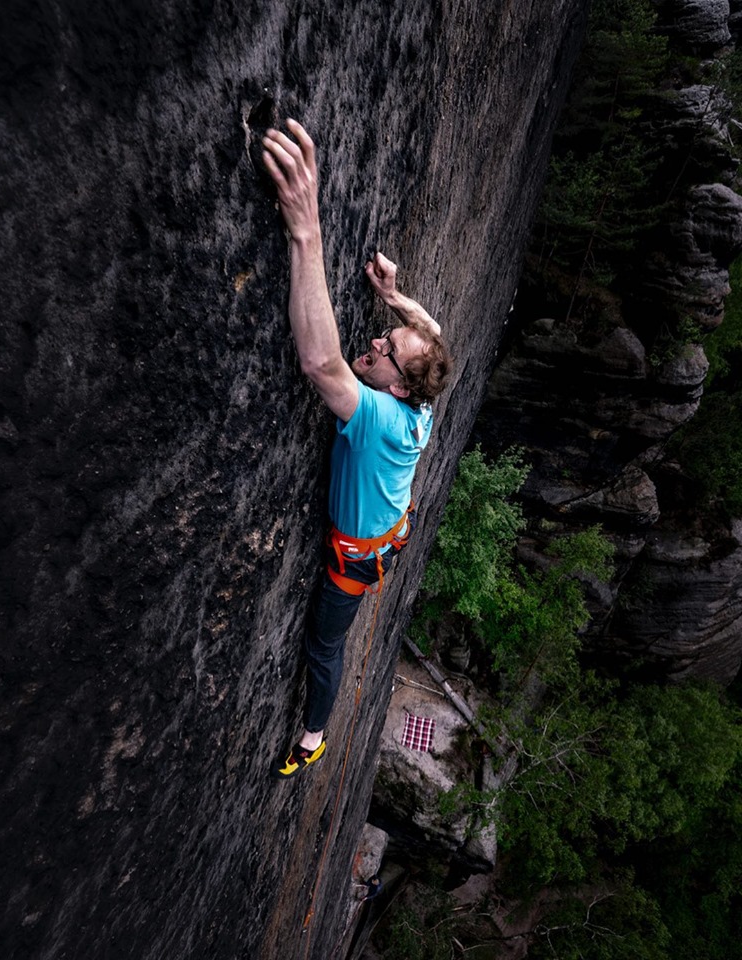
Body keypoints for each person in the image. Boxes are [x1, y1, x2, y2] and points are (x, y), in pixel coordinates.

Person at [262, 120, 452, 779]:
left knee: (322, 644)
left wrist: (305, 230)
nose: (373, 341)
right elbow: (431, 333)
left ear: (395, 384)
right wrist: (396, 297)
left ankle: (313, 738)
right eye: (381, 335)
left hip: (356, 559)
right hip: (387, 530)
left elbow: (320, 362)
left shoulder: (377, 416)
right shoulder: (420, 399)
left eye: (384, 349)